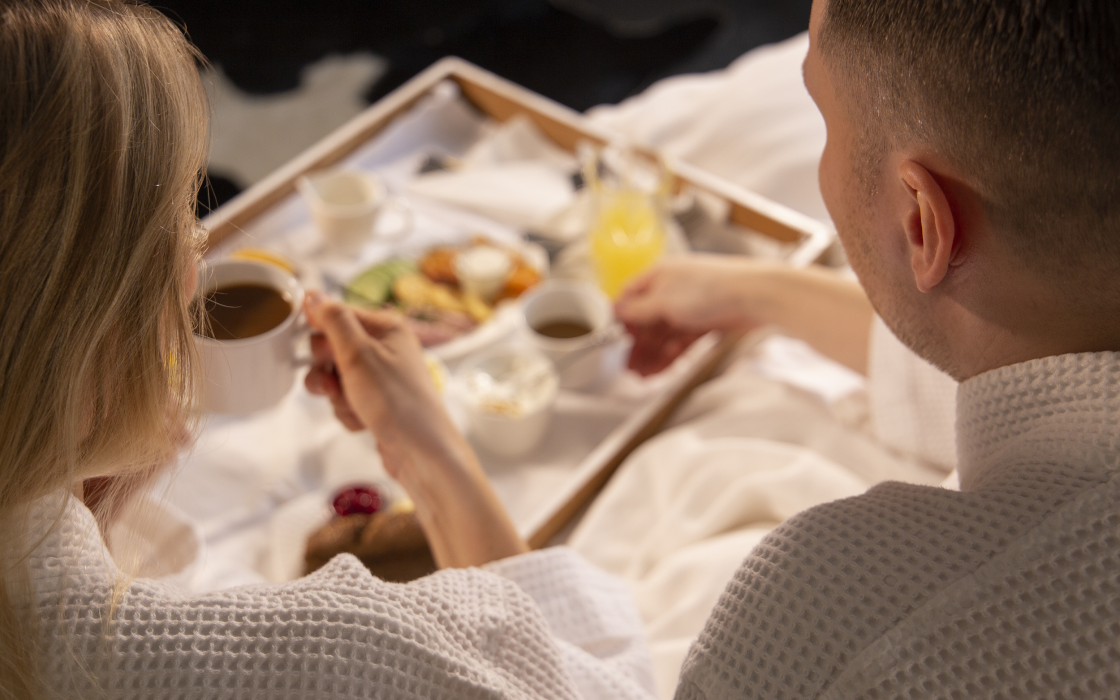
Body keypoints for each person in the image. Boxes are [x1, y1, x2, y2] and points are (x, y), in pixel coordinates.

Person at [0, 1, 655, 698]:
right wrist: (429, 446)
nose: (196, 259)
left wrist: (83, 470)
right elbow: (605, 688)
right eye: (180, 220)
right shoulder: (340, 644)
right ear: (77, 307)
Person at [602, 0, 1120, 696]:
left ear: (919, 219)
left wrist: (455, 477)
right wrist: (755, 293)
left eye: (822, 118)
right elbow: (1021, 352)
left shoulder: (840, 623)